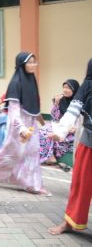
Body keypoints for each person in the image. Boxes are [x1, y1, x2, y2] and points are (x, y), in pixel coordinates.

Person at [0, 52, 50, 195]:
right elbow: (13, 112)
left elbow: (34, 107)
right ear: (22, 64)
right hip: (18, 125)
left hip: (31, 124)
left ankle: (33, 185)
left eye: (34, 62)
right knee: (13, 153)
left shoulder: (32, 81)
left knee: (32, 152)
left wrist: (43, 124)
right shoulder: (15, 83)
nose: (33, 65)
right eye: (29, 62)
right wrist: (21, 129)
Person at [48, 59, 92, 235]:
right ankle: (70, 222)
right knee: (80, 185)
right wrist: (61, 132)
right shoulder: (88, 85)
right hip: (89, 143)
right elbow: (73, 110)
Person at [38, 79, 80, 165]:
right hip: (59, 125)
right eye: (64, 87)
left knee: (52, 133)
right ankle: (50, 156)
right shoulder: (60, 100)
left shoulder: (79, 103)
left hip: (71, 130)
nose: (65, 90)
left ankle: (52, 151)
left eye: (68, 88)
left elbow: (82, 119)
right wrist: (56, 104)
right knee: (43, 131)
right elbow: (55, 117)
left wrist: (76, 128)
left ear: (74, 89)